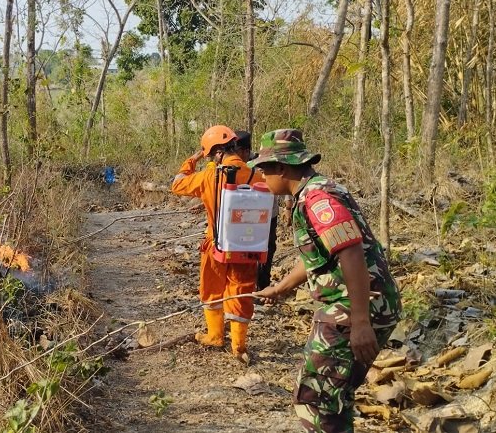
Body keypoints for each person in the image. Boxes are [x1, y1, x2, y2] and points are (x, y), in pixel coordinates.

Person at [250, 129, 402, 433]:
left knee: (317, 399)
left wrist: (360, 322)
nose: (263, 178)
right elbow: (321, 255)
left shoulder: (317, 198)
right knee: (332, 395)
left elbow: (350, 250)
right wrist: (281, 287)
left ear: (282, 167)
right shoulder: (311, 192)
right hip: (356, 304)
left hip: (353, 307)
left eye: (265, 170)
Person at [171, 125, 264, 362]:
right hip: (248, 246)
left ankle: (214, 336)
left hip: (216, 245)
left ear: (216, 152)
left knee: (211, 287)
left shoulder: (209, 175)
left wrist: (195, 158)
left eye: (211, 154)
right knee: (241, 291)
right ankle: (239, 346)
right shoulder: (256, 176)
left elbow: (177, 183)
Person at [234, 130, 292, 290]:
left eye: (237, 153)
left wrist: (288, 206)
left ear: (246, 151)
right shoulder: (232, 165)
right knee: (245, 248)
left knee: (267, 248)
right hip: (243, 216)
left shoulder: (263, 162)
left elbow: (287, 180)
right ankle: (246, 285)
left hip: (268, 215)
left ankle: (263, 286)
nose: (235, 157)